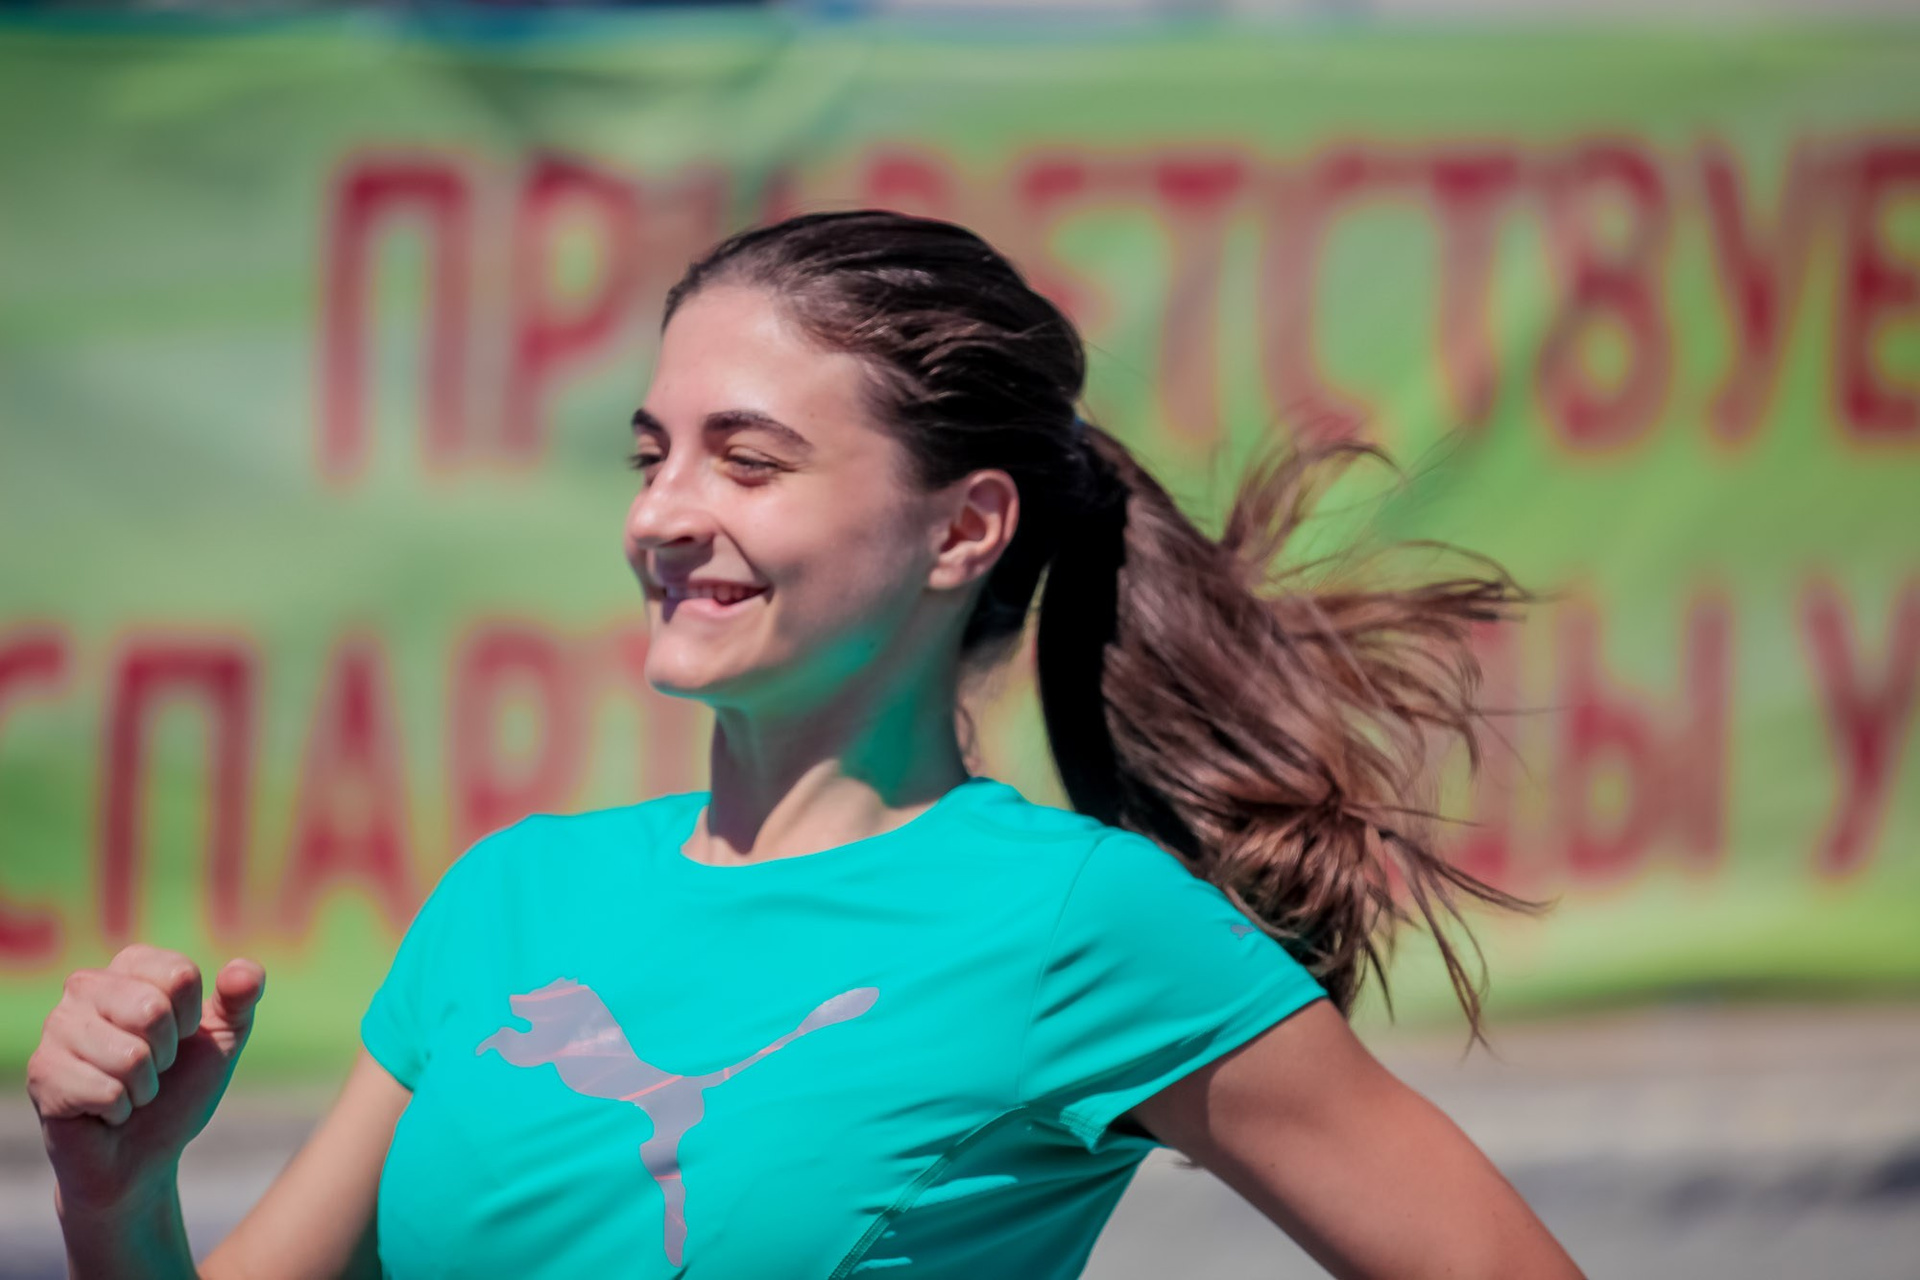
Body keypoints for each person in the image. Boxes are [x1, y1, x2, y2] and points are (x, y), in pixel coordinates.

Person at [27, 209, 1584, 1279]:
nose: (661, 514)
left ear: (962, 528)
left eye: (747, 461)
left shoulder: (1081, 923)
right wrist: (122, 1202)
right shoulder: (509, 898)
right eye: (651, 455)